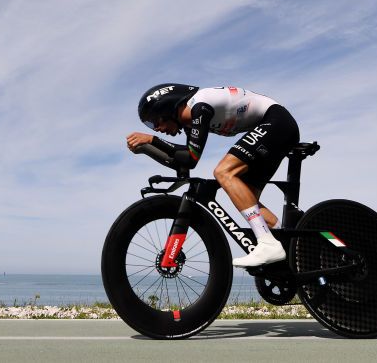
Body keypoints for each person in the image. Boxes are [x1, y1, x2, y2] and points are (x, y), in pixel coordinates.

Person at [127, 83, 300, 268]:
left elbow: (190, 156)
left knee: (224, 172)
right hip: (275, 127)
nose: (157, 129)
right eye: (152, 128)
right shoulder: (191, 121)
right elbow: (186, 163)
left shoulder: (200, 107)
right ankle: (294, 250)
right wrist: (148, 149)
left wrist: (153, 140)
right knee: (247, 197)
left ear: (166, 109)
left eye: (155, 123)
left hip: (277, 121)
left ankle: (267, 243)